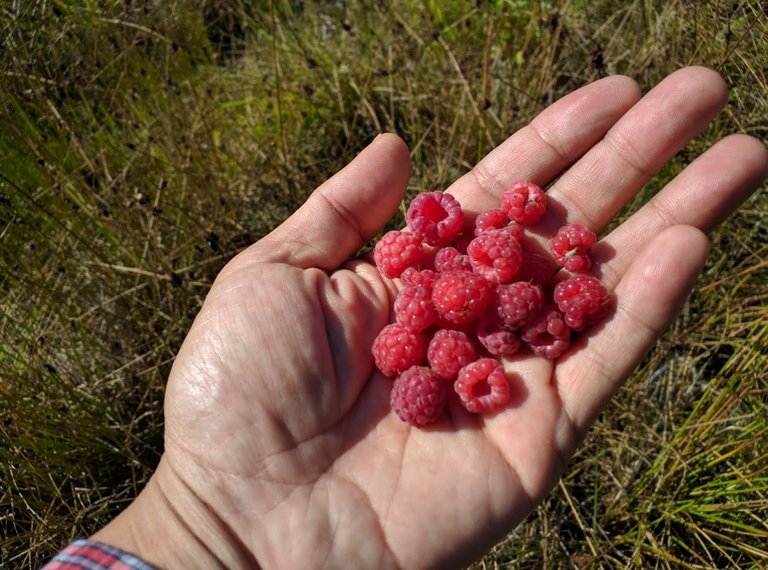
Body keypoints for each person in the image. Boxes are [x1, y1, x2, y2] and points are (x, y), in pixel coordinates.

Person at [43, 66, 767, 569]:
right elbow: (440, 329)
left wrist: (196, 528)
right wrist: (196, 517)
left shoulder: (496, 289)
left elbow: (487, 306)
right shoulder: (435, 313)